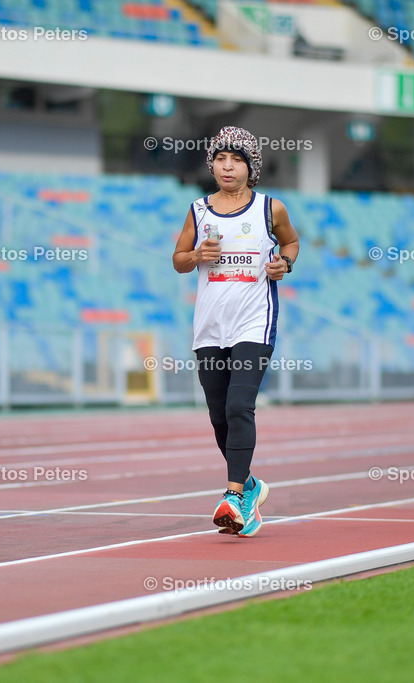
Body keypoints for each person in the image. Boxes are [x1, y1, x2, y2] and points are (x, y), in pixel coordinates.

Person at [172, 126, 300, 537]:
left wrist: (285, 263)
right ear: (211, 163)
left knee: (239, 406)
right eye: (221, 158)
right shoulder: (199, 210)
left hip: (253, 322)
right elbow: (177, 260)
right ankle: (250, 485)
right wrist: (195, 255)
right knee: (218, 415)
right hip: (210, 326)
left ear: (251, 167)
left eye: (237, 159)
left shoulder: (270, 209)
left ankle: (233, 496)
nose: (227, 166)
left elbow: (292, 243)